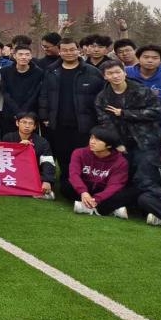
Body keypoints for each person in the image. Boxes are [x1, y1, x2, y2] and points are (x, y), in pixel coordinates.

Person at [38, 38, 103, 199]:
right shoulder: (52, 70)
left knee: (80, 157)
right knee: (61, 155)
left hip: (83, 124)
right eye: (65, 50)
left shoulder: (92, 71)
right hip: (57, 122)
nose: (69, 53)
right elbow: (44, 95)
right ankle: (64, 185)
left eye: (72, 49)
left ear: (79, 50)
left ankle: (78, 187)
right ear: (59, 51)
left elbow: (100, 99)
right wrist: (44, 116)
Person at [94, 61, 161, 167]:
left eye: (118, 72)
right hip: (121, 143)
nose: (115, 76)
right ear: (105, 76)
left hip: (145, 141)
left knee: (145, 172)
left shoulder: (142, 90)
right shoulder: (102, 98)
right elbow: (106, 123)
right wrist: (117, 143)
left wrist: (124, 113)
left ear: (125, 72)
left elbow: (156, 111)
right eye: (110, 73)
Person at [69, 127, 134, 219]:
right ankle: (111, 209)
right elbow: (74, 174)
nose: (92, 142)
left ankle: (89, 207)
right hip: (86, 187)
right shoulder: (79, 153)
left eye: (98, 140)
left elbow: (115, 185)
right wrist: (83, 192)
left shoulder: (121, 162)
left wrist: (98, 198)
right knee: (66, 186)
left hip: (104, 191)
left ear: (109, 145)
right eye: (91, 138)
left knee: (128, 193)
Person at [125, 44, 161, 132]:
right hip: (127, 124)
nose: (150, 60)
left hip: (155, 128)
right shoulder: (125, 73)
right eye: (146, 57)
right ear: (138, 58)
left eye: (155, 58)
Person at [1, 112, 56, 198]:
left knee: (42, 182)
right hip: (13, 172)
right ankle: (32, 191)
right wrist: (19, 147)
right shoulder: (8, 138)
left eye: (30, 123)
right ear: (17, 123)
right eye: (24, 122)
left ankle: (34, 190)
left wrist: (47, 180)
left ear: (35, 126)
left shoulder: (42, 142)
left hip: (32, 174)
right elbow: (2, 158)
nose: (27, 126)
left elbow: (48, 162)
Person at [0, 43, 43, 135]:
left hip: (30, 113)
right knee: (8, 139)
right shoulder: (5, 71)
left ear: (31, 56)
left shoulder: (38, 72)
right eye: (20, 54)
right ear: (14, 56)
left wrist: (22, 112)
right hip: (10, 112)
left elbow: (35, 94)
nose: (24, 57)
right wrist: (16, 111)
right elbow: (5, 92)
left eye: (27, 54)